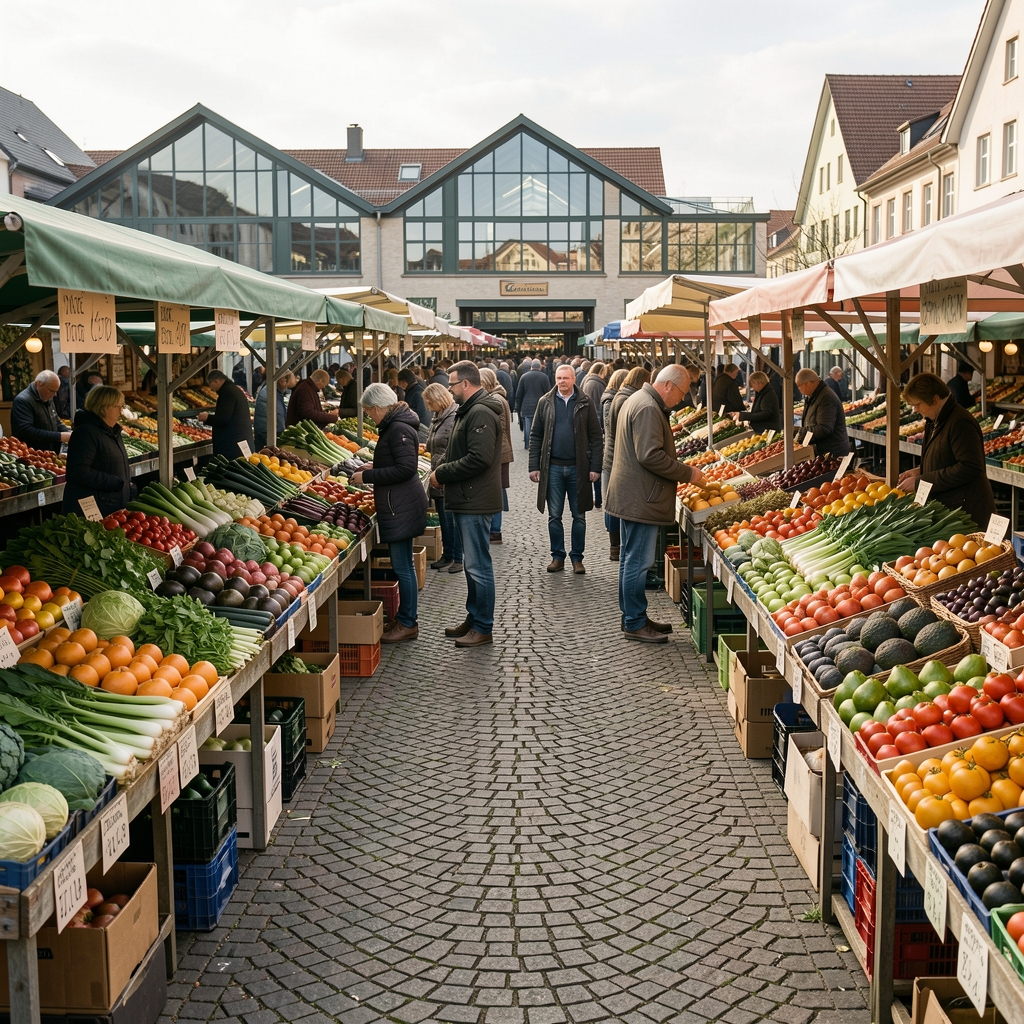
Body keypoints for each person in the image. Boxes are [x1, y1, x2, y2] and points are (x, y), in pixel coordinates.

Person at [605, 365, 704, 643]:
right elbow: (650, 456)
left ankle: (633, 616)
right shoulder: (648, 407)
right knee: (638, 561)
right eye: (682, 393)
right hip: (641, 497)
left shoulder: (638, 399)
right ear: (669, 386)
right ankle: (635, 622)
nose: (682, 399)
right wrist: (689, 473)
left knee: (629, 559)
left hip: (633, 494)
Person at [429, 361, 504, 648]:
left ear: (466, 384)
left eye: (452, 383)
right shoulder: (470, 410)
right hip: (467, 496)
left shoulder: (480, 412)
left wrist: (443, 472)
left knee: (478, 565)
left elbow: (479, 458)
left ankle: (483, 626)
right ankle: (474, 618)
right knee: (474, 566)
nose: (449, 389)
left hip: (475, 498)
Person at [351, 383, 427, 644]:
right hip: (400, 504)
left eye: (369, 413)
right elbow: (398, 463)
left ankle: (408, 623)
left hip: (400, 506)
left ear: (377, 407)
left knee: (403, 567)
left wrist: (368, 476)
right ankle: (405, 617)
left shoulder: (398, 428)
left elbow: (406, 468)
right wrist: (376, 464)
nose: (370, 418)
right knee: (403, 565)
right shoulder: (397, 426)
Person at [529, 364, 602, 573]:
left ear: (574, 379)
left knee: (579, 516)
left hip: (578, 469)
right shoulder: (545, 402)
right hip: (552, 468)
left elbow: (597, 438)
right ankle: (557, 556)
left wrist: (595, 466)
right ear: (555, 378)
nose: (562, 381)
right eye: (559, 377)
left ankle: (577, 558)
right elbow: (535, 435)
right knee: (554, 515)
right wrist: (534, 466)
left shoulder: (585, 402)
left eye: (566, 378)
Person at [897, 373, 995, 529]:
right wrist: (919, 471)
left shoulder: (960, 422)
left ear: (935, 399)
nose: (915, 410)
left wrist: (920, 481)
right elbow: (946, 459)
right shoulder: (934, 420)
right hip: (949, 510)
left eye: (917, 404)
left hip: (965, 514)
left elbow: (970, 467)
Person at [62, 386, 131, 518]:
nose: (121, 412)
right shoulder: (86, 433)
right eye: (118, 407)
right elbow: (78, 471)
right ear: (104, 407)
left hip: (111, 506)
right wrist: (114, 482)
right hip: (96, 508)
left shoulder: (113, 432)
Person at [424, 383, 462, 573]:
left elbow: (452, 447)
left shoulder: (453, 417)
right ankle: (447, 554)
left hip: (446, 473)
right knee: (443, 517)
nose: (429, 406)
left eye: (430, 402)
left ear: (439, 399)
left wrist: (441, 469)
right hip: (436, 471)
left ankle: (457, 557)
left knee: (451, 518)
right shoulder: (438, 417)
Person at [479, 367, 513, 544]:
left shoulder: (495, 400)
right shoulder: (498, 397)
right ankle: (494, 530)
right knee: (498, 490)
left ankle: (495, 530)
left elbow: (497, 429)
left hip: (497, 452)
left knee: (496, 491)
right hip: (500, 451)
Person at [196, 370, 255, 458]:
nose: (210, 388)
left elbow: (223, 418)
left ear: (217, 381)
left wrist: (207, 418)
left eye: (210, 383)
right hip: (239, 440)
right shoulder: (233, 389)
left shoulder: (227, 393)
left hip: (232, 445)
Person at [12, 370, 70, 453]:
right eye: (51, 390)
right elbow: (26, 431)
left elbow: (56, 421)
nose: (54, 395)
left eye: (56, 391)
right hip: (32, 454)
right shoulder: (23, 400)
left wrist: (67, 432)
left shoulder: (46, 397)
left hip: (49, 453)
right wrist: (59, 436)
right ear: (39, 384)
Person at [796, 368, 850, 456]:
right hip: (822, 451)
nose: (798, 389)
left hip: (832, 453)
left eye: (799, 385)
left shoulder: (826, 398)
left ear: (808, 383)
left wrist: (801, 432)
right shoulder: (814, 397)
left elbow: (824, 428)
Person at [254, 372, 296, 450]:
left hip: (264, 433)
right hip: (266, 436)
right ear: (283, 381)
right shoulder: (271, 393)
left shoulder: (271, 389)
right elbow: (279, 418)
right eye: (286, 386)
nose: (285, 389)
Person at [514, 359, 551, 450]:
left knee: (528, 427)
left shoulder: (524, 376)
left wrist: (518, 406)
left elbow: (519, 393)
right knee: (541, 426)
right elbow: (548, 392)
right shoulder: (544, 377)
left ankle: (528, 445)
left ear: (531, 366)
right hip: (540, 406)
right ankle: (540, 445)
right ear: (540, 367)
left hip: (527, 406)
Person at [398, 368, 431, 441]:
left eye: (399, 383)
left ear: (404, 382)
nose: (399, 386)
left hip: (422, 430)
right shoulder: (415, 390)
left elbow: (421, 414)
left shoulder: (416, 393)